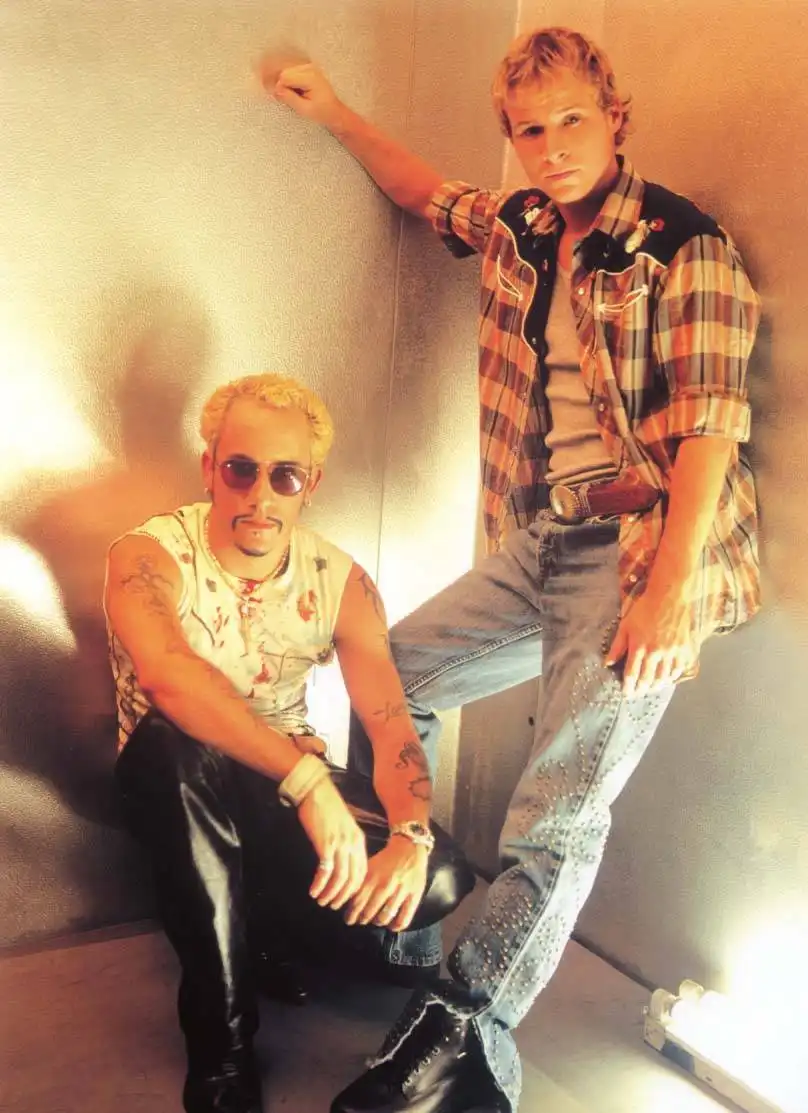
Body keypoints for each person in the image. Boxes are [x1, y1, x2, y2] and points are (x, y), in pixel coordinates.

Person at [266, 24, 762, 1113]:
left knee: (555, 813)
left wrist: (667, 592)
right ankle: (404, 926)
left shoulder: (685, 245)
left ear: (615, 118)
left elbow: (713, 430)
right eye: (530, 131)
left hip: (642, 553)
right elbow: (423, 192)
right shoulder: (522, 228)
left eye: (572, 120)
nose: (553, 146)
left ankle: (466, 1038)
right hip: (545, 536)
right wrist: (333, 113)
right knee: (392, 677)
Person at [104, 373, 438, 1113]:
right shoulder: (148, 554)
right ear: (209, 468)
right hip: (173, 778)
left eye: (284, 475)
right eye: (240, 469)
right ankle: (222, 1051)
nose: (260, 496)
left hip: (275, 781)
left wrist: (411, 834)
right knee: (173, 748)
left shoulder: (343, 581)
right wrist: (309, 784)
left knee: (439, 876)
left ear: (310, 484)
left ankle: (261, 933)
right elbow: (170, 678)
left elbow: (388, 722)